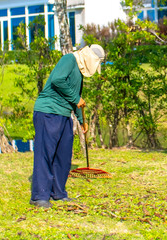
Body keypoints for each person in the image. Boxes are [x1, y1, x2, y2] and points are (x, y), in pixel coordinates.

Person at [30, 44, 105, 208]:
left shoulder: (80, 71)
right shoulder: (70, 59)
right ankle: (40, 196)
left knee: (63, 155)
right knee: (45, 154)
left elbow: (76, 97)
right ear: (90, 58)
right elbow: (57, 81)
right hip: (48, 112)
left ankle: (58, 193)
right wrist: (76, 99)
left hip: (64, 114)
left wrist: (81, 120)